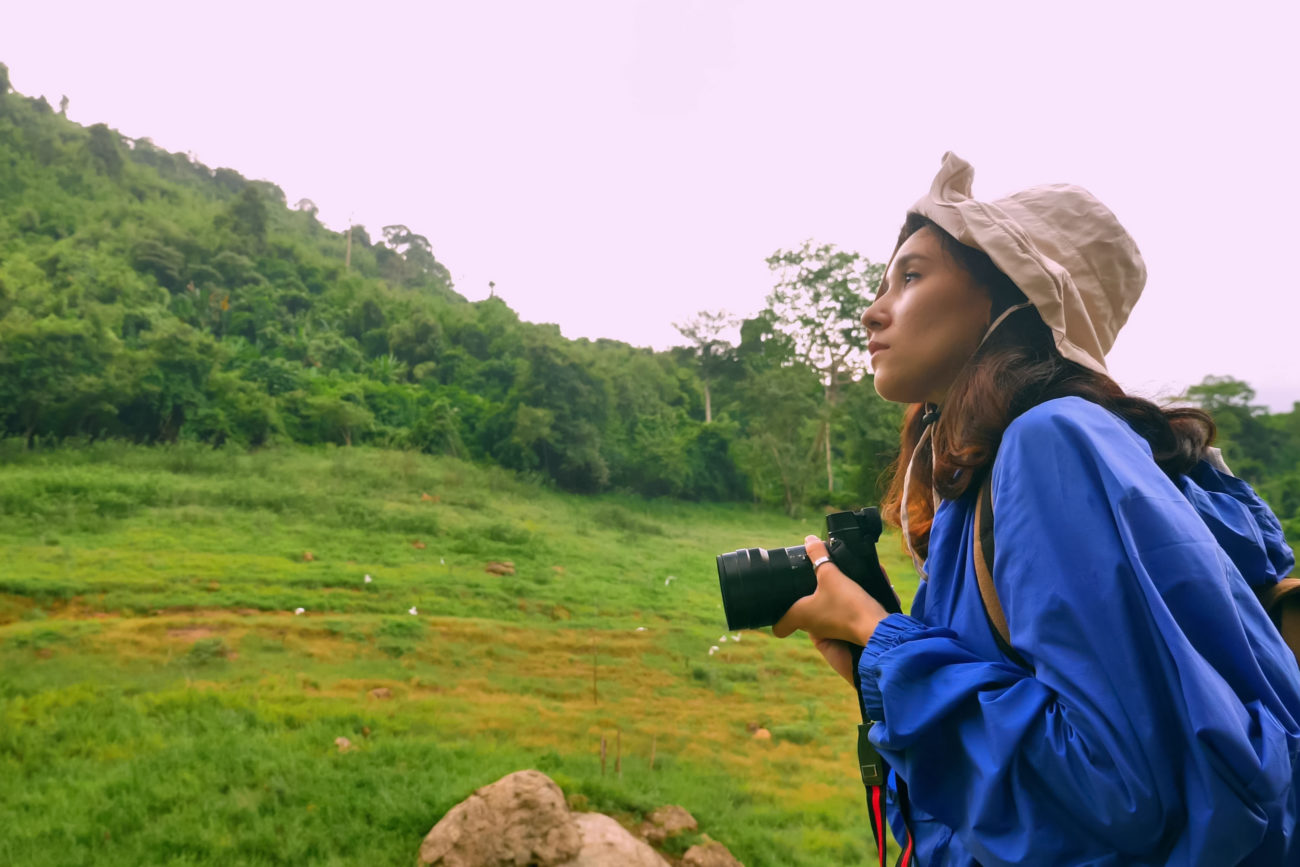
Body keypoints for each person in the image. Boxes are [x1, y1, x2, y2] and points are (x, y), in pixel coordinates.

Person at [774, 152, 1300, 865]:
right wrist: (873, 659)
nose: (872, 309)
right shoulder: (1005, 473)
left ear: (1012, 299)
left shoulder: (1051, 444)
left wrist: (884, 640)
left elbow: (1116, 793)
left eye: (911, 275)